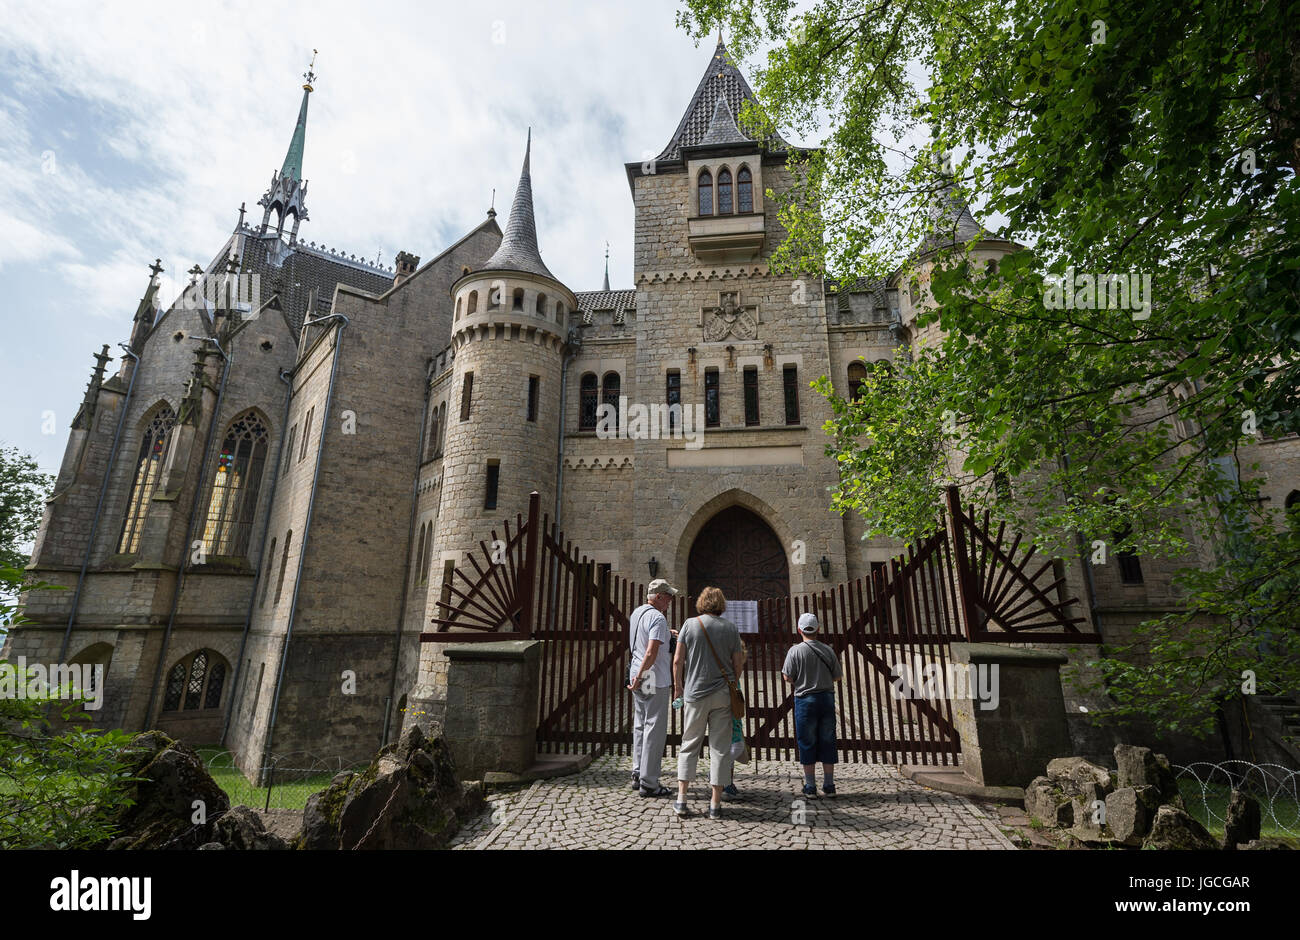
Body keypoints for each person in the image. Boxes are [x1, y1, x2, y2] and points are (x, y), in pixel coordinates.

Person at [672, 586, 745, 819]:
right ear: (721, 604)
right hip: (722, 694)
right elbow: (738, 663)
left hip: (695, 694)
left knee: (689, 743)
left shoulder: (689, 625)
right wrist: (733, 684)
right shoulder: (730, 628)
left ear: (702, 602)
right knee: (720, 748)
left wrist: (678, 688)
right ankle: (715, 803)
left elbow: (677, 661)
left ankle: (682, 799)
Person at [782, 612, 842, 798]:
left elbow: (787, 676)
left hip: (805, 700)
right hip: (826, 698)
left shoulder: (795, 651)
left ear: (799, 630)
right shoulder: (828, 650)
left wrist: (801, 680)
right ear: (818, 629)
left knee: (806, 741)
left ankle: (810, 786)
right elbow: (837, 676)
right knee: (827, 740)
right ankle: (829, 784)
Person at [627, 578, 678, 797]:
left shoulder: (638, 612)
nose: (670, 601)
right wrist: (640, 677)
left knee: (641, 723)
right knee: (654, 729)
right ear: (658, 596)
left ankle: (638, 772)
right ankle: (649, 782)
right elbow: (651, 651)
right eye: (668, 597)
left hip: (641, 674)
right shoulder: (658, 617)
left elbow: (644, 641)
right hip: (652, 677)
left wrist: (668, 634)